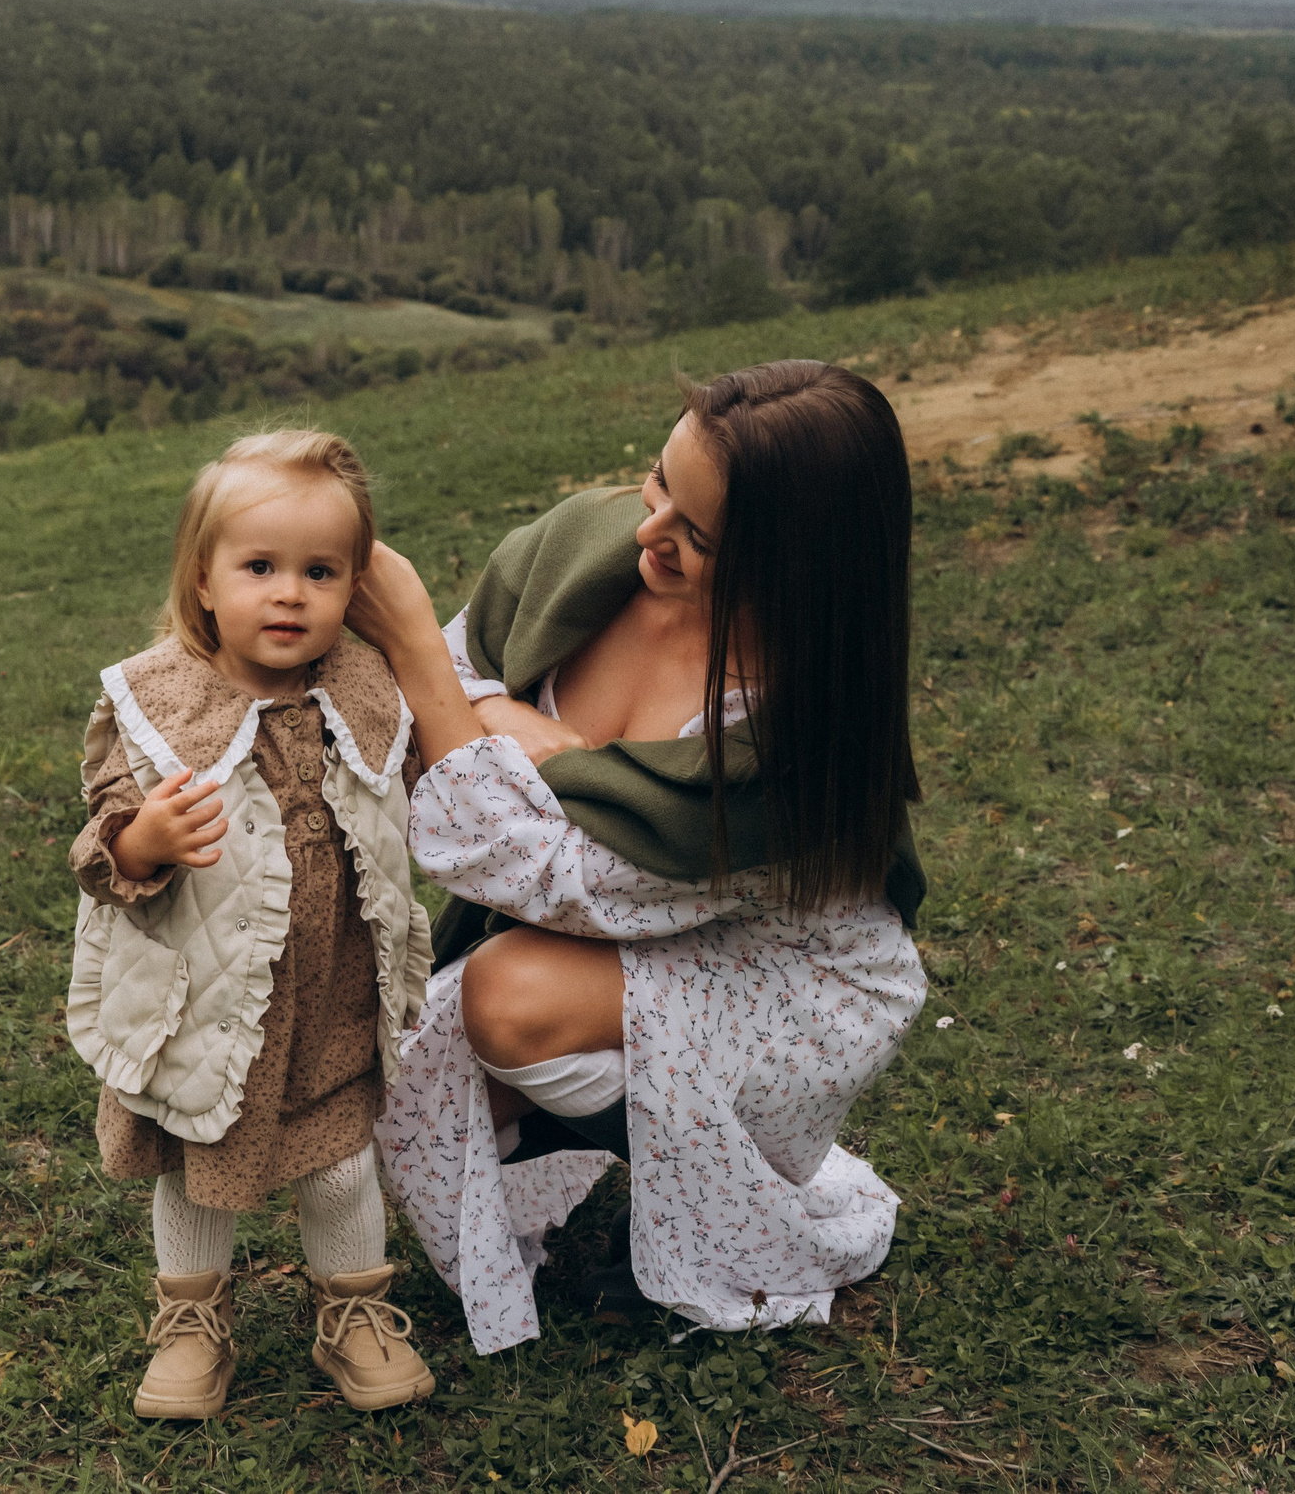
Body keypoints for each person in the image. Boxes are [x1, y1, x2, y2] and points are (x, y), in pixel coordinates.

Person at [348, 360, 931, 1353]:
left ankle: (719, 1202)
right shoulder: (588, 549)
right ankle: (624, 1160)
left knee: (504, 1000)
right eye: (659, 481)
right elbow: (450, 692)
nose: (647, 531)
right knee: (403, 1073)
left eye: (697, 535)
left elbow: (544, 876)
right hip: (631, 931)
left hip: (789, 983)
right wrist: (507, 722)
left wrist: (425, 660)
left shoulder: (793, 744)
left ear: (796, 568)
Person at [63, 429, 437, 1419]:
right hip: (206, 1004)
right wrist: (143, 840)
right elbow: (100, 843)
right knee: (197, 1172)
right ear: (204, 579)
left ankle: (353, 1313)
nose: (290, 594)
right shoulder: (161, 705)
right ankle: (192, 1321)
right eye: (259, 567)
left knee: (340, 1169)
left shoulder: (365, 693)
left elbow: (418, 792)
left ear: (354, 583)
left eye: (320, 571)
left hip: (331, 1002)